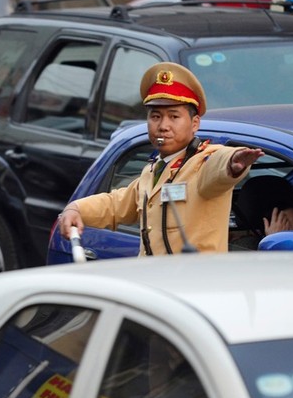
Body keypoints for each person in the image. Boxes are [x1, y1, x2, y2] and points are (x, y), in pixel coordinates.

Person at [58, 62, 263, 255]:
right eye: (156, 117)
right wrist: (76, 208)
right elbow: (117, 204)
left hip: (196, 285)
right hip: (156, 282)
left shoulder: (203, 162)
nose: (163, 125)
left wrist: (234, 163)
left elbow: (218, 167)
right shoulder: (154, 169)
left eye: (174, 117)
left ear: (194, 123)